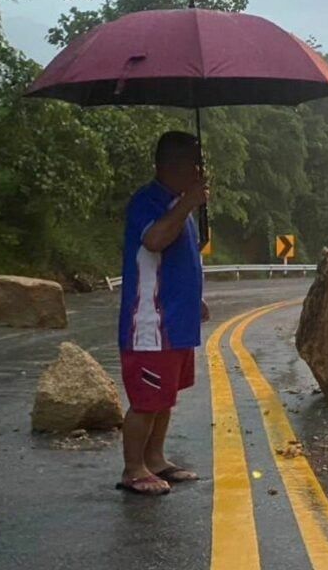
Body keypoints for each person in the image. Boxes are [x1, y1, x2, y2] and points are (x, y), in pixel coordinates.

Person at [115, 130, 211, 495]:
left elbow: (179, 260)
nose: (200, 171)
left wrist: (194, 298)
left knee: (166, 397)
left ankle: (154, 459)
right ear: (174, 165)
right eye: (195, 163)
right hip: (149, 323)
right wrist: (187, 204)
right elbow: (154, 240)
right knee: (146, 399)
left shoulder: (177, 203)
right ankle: (132, 468)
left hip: (175, 319)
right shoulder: (150, 201)